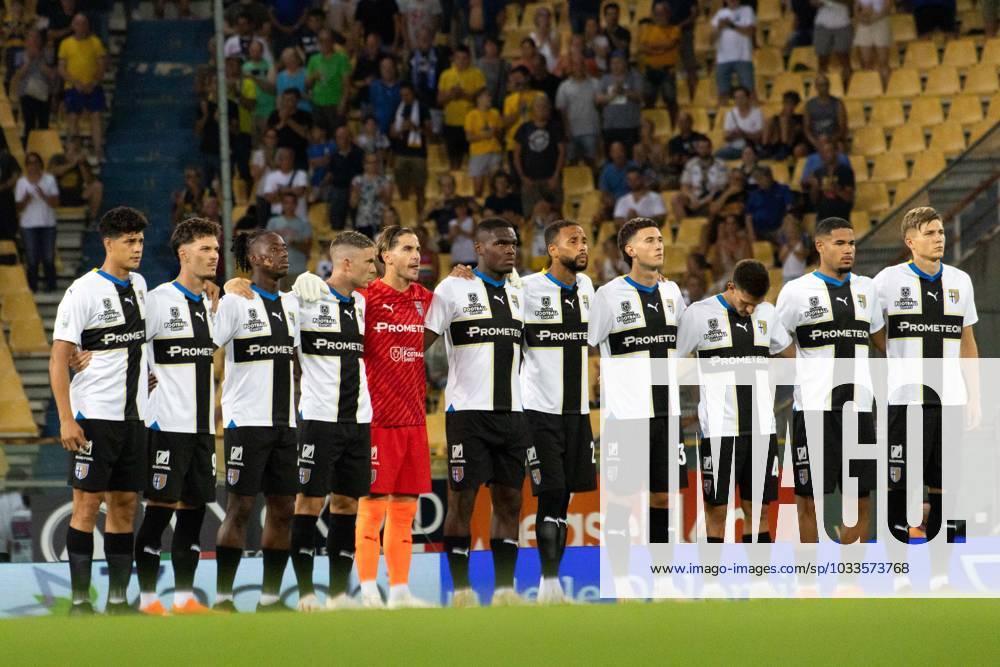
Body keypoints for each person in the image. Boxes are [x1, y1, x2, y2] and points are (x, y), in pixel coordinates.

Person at [50, 207, 150, 615]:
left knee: (125, 504)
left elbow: (141, 342)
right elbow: (59, 358)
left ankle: (118, 600)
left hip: (133, 417)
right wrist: (66, 418)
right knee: (87, 506)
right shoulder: (83, 291)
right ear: (107, 243)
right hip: (93, 416)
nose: (137, 248)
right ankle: (78, 601)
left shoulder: (142, 285)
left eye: (141, 241)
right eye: (129, 241)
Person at [872, 207, 979, 585]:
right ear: (910, 241)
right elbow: (872, 329)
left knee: (945, 486)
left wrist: (975, 396)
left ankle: (938, 573)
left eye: (941, 232)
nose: (940, 238)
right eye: (931, 232)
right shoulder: (887, 281)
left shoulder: (960, 282)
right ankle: (899, 572)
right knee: (899, 483)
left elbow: (967, 341)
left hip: (949, 401)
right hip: (905, 403)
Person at [425, 218, 528, 606]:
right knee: (461, 502)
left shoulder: (521, 293)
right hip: (468, 414)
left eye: (514, 243)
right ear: (478, 249)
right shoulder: (453, 288)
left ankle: (504, 590)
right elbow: (418, 342)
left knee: (510, 503)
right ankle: (462, 590)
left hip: (513, 415)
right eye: (501, 243)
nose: (510, 249)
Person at [588, 218, 688, 597]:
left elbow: (683, 338)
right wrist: (605, 377)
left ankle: (662, 580)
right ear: (630, 250)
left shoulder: (672, 292)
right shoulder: (609, 295)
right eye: (650, 240)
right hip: (625, 415)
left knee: (663, 496)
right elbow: (591, 341)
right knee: (620, 499)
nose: (659, 245)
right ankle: (620, 579)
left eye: (661, 239)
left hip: (667, 412)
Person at [127, 219, 221, 616]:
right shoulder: (160, 300)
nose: (214, 255)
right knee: (159, 510)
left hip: (202, 429)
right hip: (166, 426)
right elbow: (126, 343)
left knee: (194, 514)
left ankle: (185, 599)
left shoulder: (214, 303)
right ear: (183, 254)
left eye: (216, 249)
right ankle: (148, 600)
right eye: (205, 249)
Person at [775, 216, 885, 544]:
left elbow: (883, 342)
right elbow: (776, 341)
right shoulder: (795, 292)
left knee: (861, 499)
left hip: (859, 410)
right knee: (808, 500)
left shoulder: (867, 289)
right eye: (840, 243)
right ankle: (810, 583)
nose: (848, 249)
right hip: (813, 411)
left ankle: (851, 577)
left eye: (851, 243)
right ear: (820, 246)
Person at [212, 230, 301, 611]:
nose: (283, 253)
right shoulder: (234, 302)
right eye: (274, 248)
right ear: (253, 256)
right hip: (246, 423)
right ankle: (223, 597)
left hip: (286, 425)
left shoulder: (294, 304)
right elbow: (203, 347)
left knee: (283, 510)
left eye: (284, 248)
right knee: (240, 509)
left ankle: (269, 598)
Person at [290, 232, 378, 610]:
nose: (374, 269)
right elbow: (262, 304)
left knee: (347, 505)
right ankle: (307, 592)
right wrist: (236, 280)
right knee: (308, 504)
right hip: (319, 420)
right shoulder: (307, 298)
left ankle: (340, 594)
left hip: (357, 422)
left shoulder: (361, 303)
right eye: (369, 262)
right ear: (346, 263)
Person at [675, 259, 793, 542]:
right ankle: (713, 583)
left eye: (756, 304)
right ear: (731, 288)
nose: (750, 310)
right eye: (745, 303)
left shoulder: (768, 313)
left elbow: (790, 356)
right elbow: (673, 361)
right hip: (719, 431)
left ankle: (759, 582)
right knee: (716, 511)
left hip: (762, 430)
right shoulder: (699, 315)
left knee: (760, 511)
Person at [354, 226, 437, 608]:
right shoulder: (366, 297)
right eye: (407, 248)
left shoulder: (427, 299)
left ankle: (400, 590)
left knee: (404, 511)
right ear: (385, 255)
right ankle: (368, 588)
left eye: (418, 248)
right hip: (376, 419)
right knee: (371, 510)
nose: (417, 255)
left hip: (414, 419)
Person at [521, 220, 597, 603]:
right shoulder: (527, 288)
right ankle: (547, 584)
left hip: (577, 413)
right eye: (573, 241)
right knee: (550, 492)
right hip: (539, 411)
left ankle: (552, 581)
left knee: (564, 497)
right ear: (553, 249)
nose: (582, 246)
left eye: (584, 240)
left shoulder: (587, 288)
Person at [57, 14, 107, 160]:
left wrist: (94, 82)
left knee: (96, 115)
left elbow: (102, 65)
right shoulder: (65, 44)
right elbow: (61, 68)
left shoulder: (95, 42)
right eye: (78, 24)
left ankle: (98, 149)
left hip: (93, 85)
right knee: (73, 117)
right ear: (73, 26)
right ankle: (75, 150)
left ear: (88, 26)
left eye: (84, 23)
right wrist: (74, 82)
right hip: (73, 87)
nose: (81, 27)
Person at [514, 95, 566, 218]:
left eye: (545, 106)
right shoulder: (524, 128)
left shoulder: (556, 127)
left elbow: (562, 152)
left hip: (551, 179)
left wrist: (556, 176)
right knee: (531, 215)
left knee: (555, 214)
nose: (542, 109)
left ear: (549, 108)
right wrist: (523, 177)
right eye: (539, 106)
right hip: (530, 180)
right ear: (533, 109)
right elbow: (516, 155)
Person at [15, 153, 59, 293]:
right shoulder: (21, 182)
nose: (33, 166)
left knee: (48, 257)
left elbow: (56, 203)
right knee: (32, 259)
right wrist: (26, 200)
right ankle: (32, 288)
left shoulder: (49, 180)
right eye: (30, 163)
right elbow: (17, 207)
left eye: (35, 162)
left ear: (40, 164)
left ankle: (51, 287)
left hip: (48, 224)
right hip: (28, 225)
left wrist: (44, 196)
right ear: (26, 166)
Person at [438, 45, 487, 171]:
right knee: (454, 160)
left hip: (471, 124)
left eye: (464, 58)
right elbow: (439, 100)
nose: (461, 61)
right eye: (458, 58)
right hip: (451, 123)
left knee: (474, 159)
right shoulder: (446, 75)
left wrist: (463, 94)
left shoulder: (477, 74)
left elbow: (481, 100)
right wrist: (450, 94)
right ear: (453, 59)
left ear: (469, 59)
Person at [555, 53, 601, 169]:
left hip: (591, 130)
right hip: (572, 132)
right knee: (571, 164)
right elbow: (562, 110)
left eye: (581, 64)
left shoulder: (596, 84)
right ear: (571, 67)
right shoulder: (564, 87)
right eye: (576, 64)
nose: (579, 67)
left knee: (592, 164)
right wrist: (566, 129)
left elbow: (601, 106)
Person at [391, 82, 431, 214]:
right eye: (402, 95)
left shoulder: (423, 108)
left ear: (413, 94)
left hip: (418, 153)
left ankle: (420, 214)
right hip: (401, 152)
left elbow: (430, 132)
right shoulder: (398, 108)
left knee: (420, 187)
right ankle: (406, 213)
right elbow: (392, 132)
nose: (404, 97)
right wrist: (400, 129)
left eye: (407, 94)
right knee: (402, 185)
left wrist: (416, 128)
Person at [639, 2, 680, 125]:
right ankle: (649, 127)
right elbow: (641, 48)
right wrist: (660, 49)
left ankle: (674, 126)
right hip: (650, 71)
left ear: (668, 14)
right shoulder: (648, 29)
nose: (659, 16)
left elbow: (670, 44)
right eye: (657, 13)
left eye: (662, 13)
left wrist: (651, 48)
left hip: (667, 71)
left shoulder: (675, 29)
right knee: (648, 100)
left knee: (670, 99)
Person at [671, 137, 729, 222]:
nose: (704, 150)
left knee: (715, 203)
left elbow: (720, 188)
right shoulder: (691, 164)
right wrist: (692, 197)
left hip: (712, 197)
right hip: (695, 197)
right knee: (676, 199)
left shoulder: (720, 164)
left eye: (706, 147)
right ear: (697, 149)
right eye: (701, 147)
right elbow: (684, 186)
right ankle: (684, 227)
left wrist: (703, 202)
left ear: (711, 148)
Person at [596, 51, 643, 154]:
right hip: (610, 126)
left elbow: (639, 96)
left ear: (625, 63)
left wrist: (623, 91)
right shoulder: (605, 79)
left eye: (618, 63)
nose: (615, 66)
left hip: (630, 126)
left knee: (630, 156)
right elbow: (598, 99)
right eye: (613, 63)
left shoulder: (634, 77)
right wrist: (612, 96)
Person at [502, 66, 544, 177]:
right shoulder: (509, 99)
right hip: (513, 145)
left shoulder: (539, 95)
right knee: (516, 179)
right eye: (513, 78)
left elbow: (544, 118)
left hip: (534, 143)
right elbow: (505, 124)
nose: (516, 81)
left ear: (527, 78)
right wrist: (518, 112)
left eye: (519, 77)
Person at [13, 29, 55, 143]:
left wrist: (40, 60)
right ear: (27, 40)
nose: (35, 40)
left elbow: (52, 74)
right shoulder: (20, 55)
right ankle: (29, 149)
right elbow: (19, 75)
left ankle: (43, 148)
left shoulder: (47, 53)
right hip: (26, 93)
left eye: (37, 37)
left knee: (43, 123)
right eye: (31, 37)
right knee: (29, 123)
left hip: (43, 93)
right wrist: (29, 61)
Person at [711, 0, 756, 103]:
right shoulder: (720, 13)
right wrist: (719, 27)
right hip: (723, 59)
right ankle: (722, 117)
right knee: (722, 94)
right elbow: (711, 40)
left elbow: (750, 32)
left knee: (749, 92)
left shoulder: (747, 10)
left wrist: (731, 25)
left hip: (743, 58)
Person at [48, 138, 103, 222]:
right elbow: (53, 172)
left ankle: (92, 220)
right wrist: (72, 164)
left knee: (97, 186)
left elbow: (89, 181)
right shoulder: (57, 158)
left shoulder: (82, 162)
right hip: (59, 195)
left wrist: (82, 165)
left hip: (77, 194)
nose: (71, 153)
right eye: (69, 150)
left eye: (75, 151)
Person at [306, 29, 351, 131]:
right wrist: (313, 77)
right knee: (320, 136)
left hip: (335, 104)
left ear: (332, 41)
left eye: (327, 40)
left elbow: (346, 84)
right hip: (317, 104)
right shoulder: (313, 59)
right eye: (321, 40)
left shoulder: (342, 58)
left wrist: (343, 103)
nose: (324, 43)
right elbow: (307, 85)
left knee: (336, 135)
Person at [464, 88, 503, 198]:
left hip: (495, 152)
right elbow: (469, 137)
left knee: (495, 185)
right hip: (478, 153)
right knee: (478, 188)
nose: (490, 98)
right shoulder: (471, 115)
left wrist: (496, 133)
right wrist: (485, 135)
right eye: (487, 96)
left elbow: (500, 133)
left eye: (490, 96)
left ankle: (494, 211)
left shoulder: (495, 113)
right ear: (478, 99)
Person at [267, 193, 313, 285]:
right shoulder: (273, 222)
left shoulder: (304, 223)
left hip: (298, 271)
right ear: (282, 204)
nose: (289, 206)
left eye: (292, 203)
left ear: (296, 205)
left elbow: (308, 248)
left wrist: (294, 244)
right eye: (286, 203)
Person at [804, 138, 855, 220]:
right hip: (822, 220)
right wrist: (815, 187)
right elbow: (814, 200)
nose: (825, 155)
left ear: (836, 152)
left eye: (828, 151)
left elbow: (849, 198)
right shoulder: (818, 173)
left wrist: (836, 189)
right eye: (823, 152)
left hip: (841, 220)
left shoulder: (846, 172)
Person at [328, 126, 365, 229]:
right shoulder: (334, 155)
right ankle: (336, 233)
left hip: (356, 189)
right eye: (339, 137)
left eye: (344, 136)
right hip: (339, 190)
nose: (341, 140)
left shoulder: (359, 153)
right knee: (336, 201)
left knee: (357, 219)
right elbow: (330, 174)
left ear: (350, 138)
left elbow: (363, 173)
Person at [268, 88, 313, 171]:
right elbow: (271, 133)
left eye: (291, 99)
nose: (287, 102)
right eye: (285, 99)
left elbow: (306, 134)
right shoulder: (274, 114)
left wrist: (288, 119)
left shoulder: (305, 115)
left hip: (299, 153)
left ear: (297, 100)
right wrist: (282, 121)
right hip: (279, 153)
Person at [746, 165, 793, 243]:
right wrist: (751, 233)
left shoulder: (783, 189)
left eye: (761, 178)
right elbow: (748, 216)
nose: (759, 182)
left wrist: (783, 227)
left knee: (785, 237)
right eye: (757, 179)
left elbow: (790, 209)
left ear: (769, 177)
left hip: (778, 229)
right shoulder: (754, 194)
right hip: (758, 231)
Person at [350, 153, 393, 238]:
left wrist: (383, 195)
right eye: (369, 162)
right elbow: (352, 204)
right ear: (364, 164)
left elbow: (388, 204)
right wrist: (357, 194)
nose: (372, 165)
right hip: (363, 221)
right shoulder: (357, 181)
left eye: (375, 162)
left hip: (380, 222)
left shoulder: (385, 180)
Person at [716, 86, 764, 160]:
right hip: (735, 149)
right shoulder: (730, 114)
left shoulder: (757, 113)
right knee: (717, 154)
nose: (739, 100)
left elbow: (759, 136)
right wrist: (733, 134)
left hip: (752, 147)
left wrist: (744, 134)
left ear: (748, 98)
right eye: (736, 98)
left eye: (742, 97)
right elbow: (726, 137)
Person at [263, 147, 309, 221]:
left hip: (299, 217)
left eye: (290, 158)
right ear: (279, 161)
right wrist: (292, 191)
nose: (288, 161)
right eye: (284, 158)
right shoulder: (271, 177)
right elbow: (269, 198)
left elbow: (300, 192)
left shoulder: (301, 174)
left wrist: (280, 191)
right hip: (278, 217)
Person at [804, 74, 848, 150]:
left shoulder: (838, 103)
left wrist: (830, 141)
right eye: (820, 85)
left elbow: (842, 128)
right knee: (799, 150)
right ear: (816, 87)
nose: (823, 87)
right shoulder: (809, 105)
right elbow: (806, 129)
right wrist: (815, 142)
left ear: (829, 86)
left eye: (825, 84)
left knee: (840, 147)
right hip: (815, 141)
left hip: (833, 140)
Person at [854, 0, 893, 86]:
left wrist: (873, 18)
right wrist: (861, 18)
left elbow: (888, 6)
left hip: (880, 22)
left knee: (883, 61)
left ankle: (888, 89)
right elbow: (856, 8)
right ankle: (871, 89)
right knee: (866, 61)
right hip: (864, 24)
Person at [814, 0, 853, 83]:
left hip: (843, 24)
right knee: (822, 60)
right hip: (822, 24)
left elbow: (851, 2)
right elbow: (813, 2)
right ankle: (822, 88)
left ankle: (848, 87)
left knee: (844, 58)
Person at [763, 90, 809, 160]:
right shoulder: (776, 118)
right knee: (769, 120)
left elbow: (799, 132)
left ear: (795, 105)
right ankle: (765, 148)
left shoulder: (799, 118)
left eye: (791, 103)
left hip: (791, 144)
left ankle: (784, 148)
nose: (788, 105)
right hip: (776, 144)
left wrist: (789, 122)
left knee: (784, 120)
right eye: (786, 103)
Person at [370, 56, 402, 136]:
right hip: (378, 132)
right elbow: (371, 107)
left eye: (390, 67)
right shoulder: (374, 86)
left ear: (395, 68)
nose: (387, 70)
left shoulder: (402, 87)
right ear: (380, 70)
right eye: (384, 67)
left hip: (398, 132)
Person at [598, 141, 636, 207]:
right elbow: (604, 193)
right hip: (615, 204)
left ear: (625, 152)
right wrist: (610, 201)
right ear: (611, 154)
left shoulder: (634, 166)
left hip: (634, 201)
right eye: (615, 152)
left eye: (620, 151)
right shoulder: (606, 171)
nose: (618, 154)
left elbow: (642, 187)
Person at [776, 214, 811, 282]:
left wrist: (792, 249)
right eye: (788, 231)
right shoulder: (785, 245)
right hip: (787, 276)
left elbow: (801, 258)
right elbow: (781, 259)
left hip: (799, 275)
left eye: (792, 231)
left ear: (797, 231)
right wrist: (788, 248)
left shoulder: (800, 244)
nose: (790, 233)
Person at [529, 6, 561, 72]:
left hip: (553, 69)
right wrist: (542, 35)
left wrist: (548, 35)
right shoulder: (531, 36)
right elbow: (532, 55)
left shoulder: (555, 34)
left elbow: (556, 53)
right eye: (542, 15)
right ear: (536, 18)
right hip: (538, 69)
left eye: (547, 15)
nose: (545, 18)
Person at [0, 145, 20, 242]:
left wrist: (4, 186)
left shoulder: (8, 158)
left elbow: (15, 176)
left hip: (6, 201)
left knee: (9, 235)